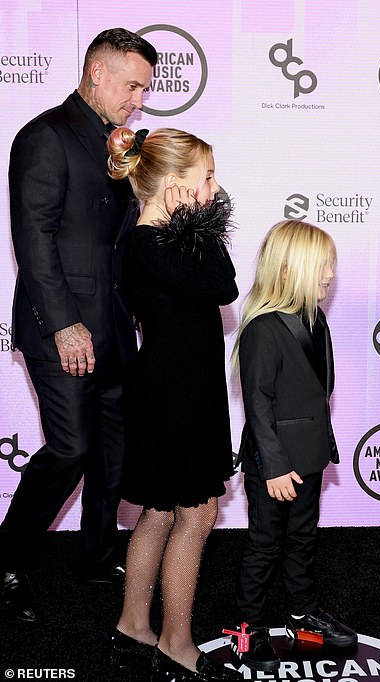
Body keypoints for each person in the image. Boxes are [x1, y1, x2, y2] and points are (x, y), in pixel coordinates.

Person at [1, 28, 157, 622]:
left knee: (113, 456)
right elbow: (33, 238)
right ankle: (6, 558)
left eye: (145, 88)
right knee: (70, 447)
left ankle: (95, 555)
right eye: (132, 85)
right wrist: (64, 324)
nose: (138, 99)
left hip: (116, 329)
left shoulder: (119, 144)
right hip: (61, 330)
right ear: (96, 72)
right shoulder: (44, 137)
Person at [106, 126, 242, 682]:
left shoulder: (152, 239)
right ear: (171, 185)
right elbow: (225, 284)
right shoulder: (152, 243)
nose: (215, 187)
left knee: (160, 513)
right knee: (196, 513)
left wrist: (189, 219)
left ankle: (133, 626)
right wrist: (197, 224)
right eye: (206, 177)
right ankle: (175, 642)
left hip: (176, 389)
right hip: (176, 395)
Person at [229, 220, 357, 673]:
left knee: (302, 538)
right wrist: (274, 466)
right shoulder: (263, 328)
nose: (330, 275)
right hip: (274, 464)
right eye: (322, 265)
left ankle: (301, 610)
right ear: (289, 269)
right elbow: (257, 405)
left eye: (331, 265)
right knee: (265, 545)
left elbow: (318, 392)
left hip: (311, 456)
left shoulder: (315, 319)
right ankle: (248, 629)